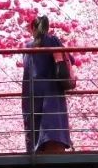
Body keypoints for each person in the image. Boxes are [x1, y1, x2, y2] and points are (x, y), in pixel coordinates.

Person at [21, 14, 72, 154]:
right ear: (47, 27)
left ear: (33, 28)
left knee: (34, 120)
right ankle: (54, 150)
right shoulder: (53, 40)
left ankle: (36, 150)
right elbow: (69, 60)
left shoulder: (27, 46)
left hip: (31, 91)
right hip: (51, 89)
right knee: (53, 122)